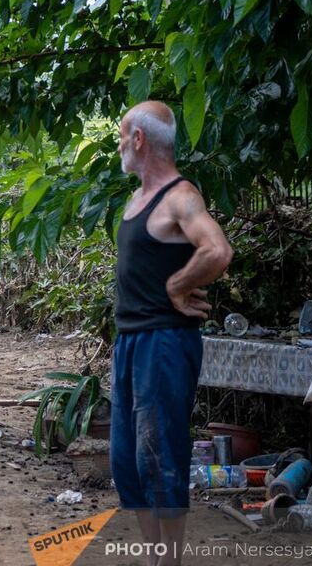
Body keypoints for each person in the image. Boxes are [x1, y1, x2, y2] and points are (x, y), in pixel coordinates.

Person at [110, 101, 233, 566]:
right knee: (126, 460)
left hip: (164, 343)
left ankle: (170, 562)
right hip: (130, 343)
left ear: (139, 139)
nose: (120, 145)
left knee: (159, 457)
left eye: (122, 136)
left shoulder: (181, 196)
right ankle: (153, 559)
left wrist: (178, 284)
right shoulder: (136, 198)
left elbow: (217, 249)